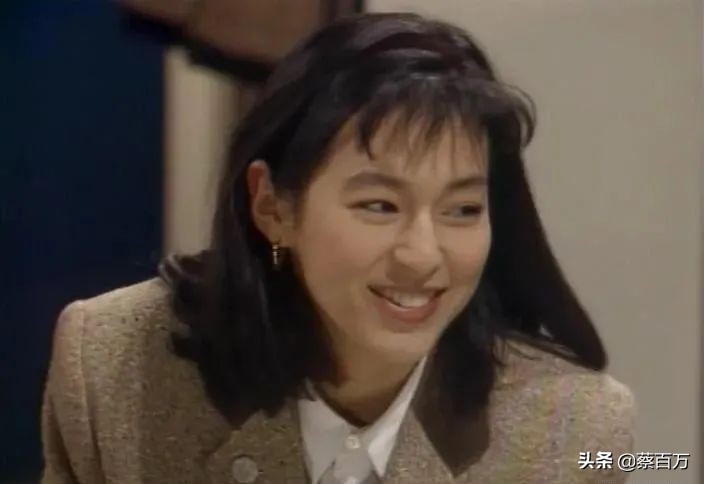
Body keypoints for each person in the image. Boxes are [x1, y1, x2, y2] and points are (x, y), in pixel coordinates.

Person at [40, 12, 636, 484]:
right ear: (273, 208)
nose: (423, 256)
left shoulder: (576, 432)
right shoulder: (113, 368)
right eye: (379, 205)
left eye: (462, 210)